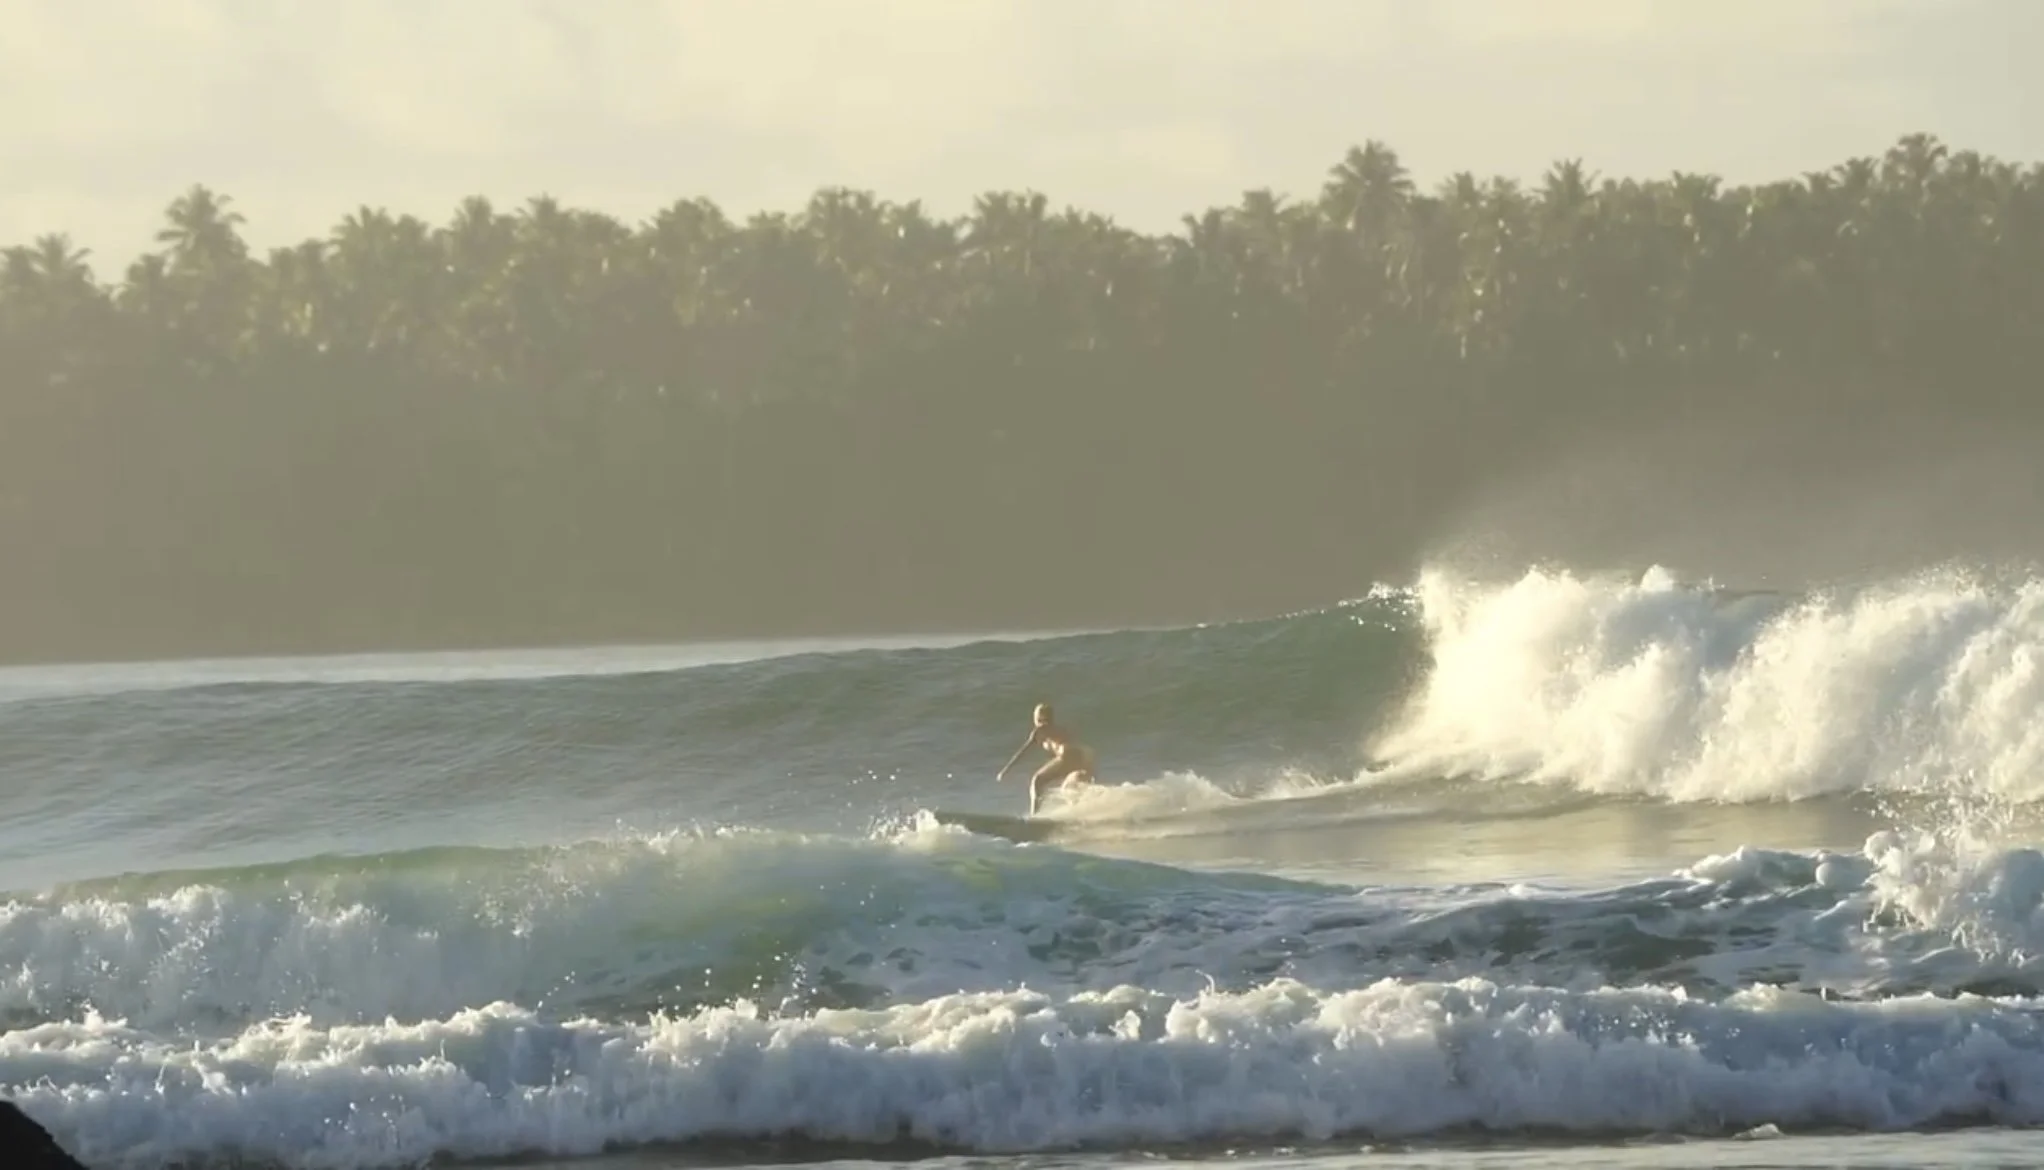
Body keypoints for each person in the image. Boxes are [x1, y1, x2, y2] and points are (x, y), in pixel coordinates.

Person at [997, 702, 1097, 815]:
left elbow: (1024, 751)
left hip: (1067, 756)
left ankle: (1034, 815)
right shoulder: (1058, 728)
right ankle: (1080, 816)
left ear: (1040, 717)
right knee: (1069, 790)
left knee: (1037, 780)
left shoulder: (1041, 729)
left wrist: (1006, 770)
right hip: (1082, 759)